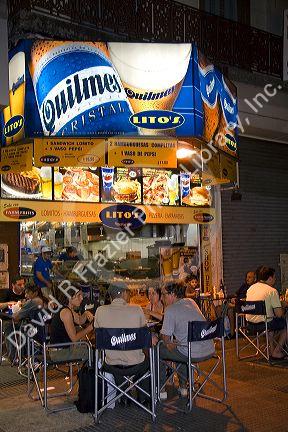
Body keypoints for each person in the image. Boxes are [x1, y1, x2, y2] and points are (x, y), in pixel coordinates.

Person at [94, 281, 150, 404]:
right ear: (124, 293)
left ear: (110, 296)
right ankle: (144, 396)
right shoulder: (137, 310)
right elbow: (144, 335)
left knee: (116, 355)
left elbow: (98, 334)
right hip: (136, 364)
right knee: (147, 358)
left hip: (111, 364)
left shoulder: (100, 311)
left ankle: (124, 394)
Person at [159, 281, 215, 399]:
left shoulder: (170, 309)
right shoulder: (191, 302)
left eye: (163, 294)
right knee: (180, 346)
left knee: (157, 350)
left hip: (191, 352)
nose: (161, 298)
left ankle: (161, 388)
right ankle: (183, 387)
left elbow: (166, 341)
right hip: (209, 349)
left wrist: (167, 341)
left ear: (173, 294)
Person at [246, 266, 287, 360]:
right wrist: (283, 305)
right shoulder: (272, 291)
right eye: (274, 277)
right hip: (265, 324)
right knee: (285, 324)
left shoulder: (250, 289)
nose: (275, 280)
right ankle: (277, 350)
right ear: (269, 278)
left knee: (270, 319)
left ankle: (271, 350)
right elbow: (279, 314)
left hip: (250, 324)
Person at [49, 289, 93, 362]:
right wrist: (90, 327)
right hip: (59, 353)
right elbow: (74, 338)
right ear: (69, 297)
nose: (82, 298)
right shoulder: (66, 312)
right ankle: (90, 373)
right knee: (92, 352)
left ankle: (86, 371)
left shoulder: (66, 308)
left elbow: (79, 321)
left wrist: (86, 313)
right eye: (78, 295)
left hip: (60, 350)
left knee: (88, 349)